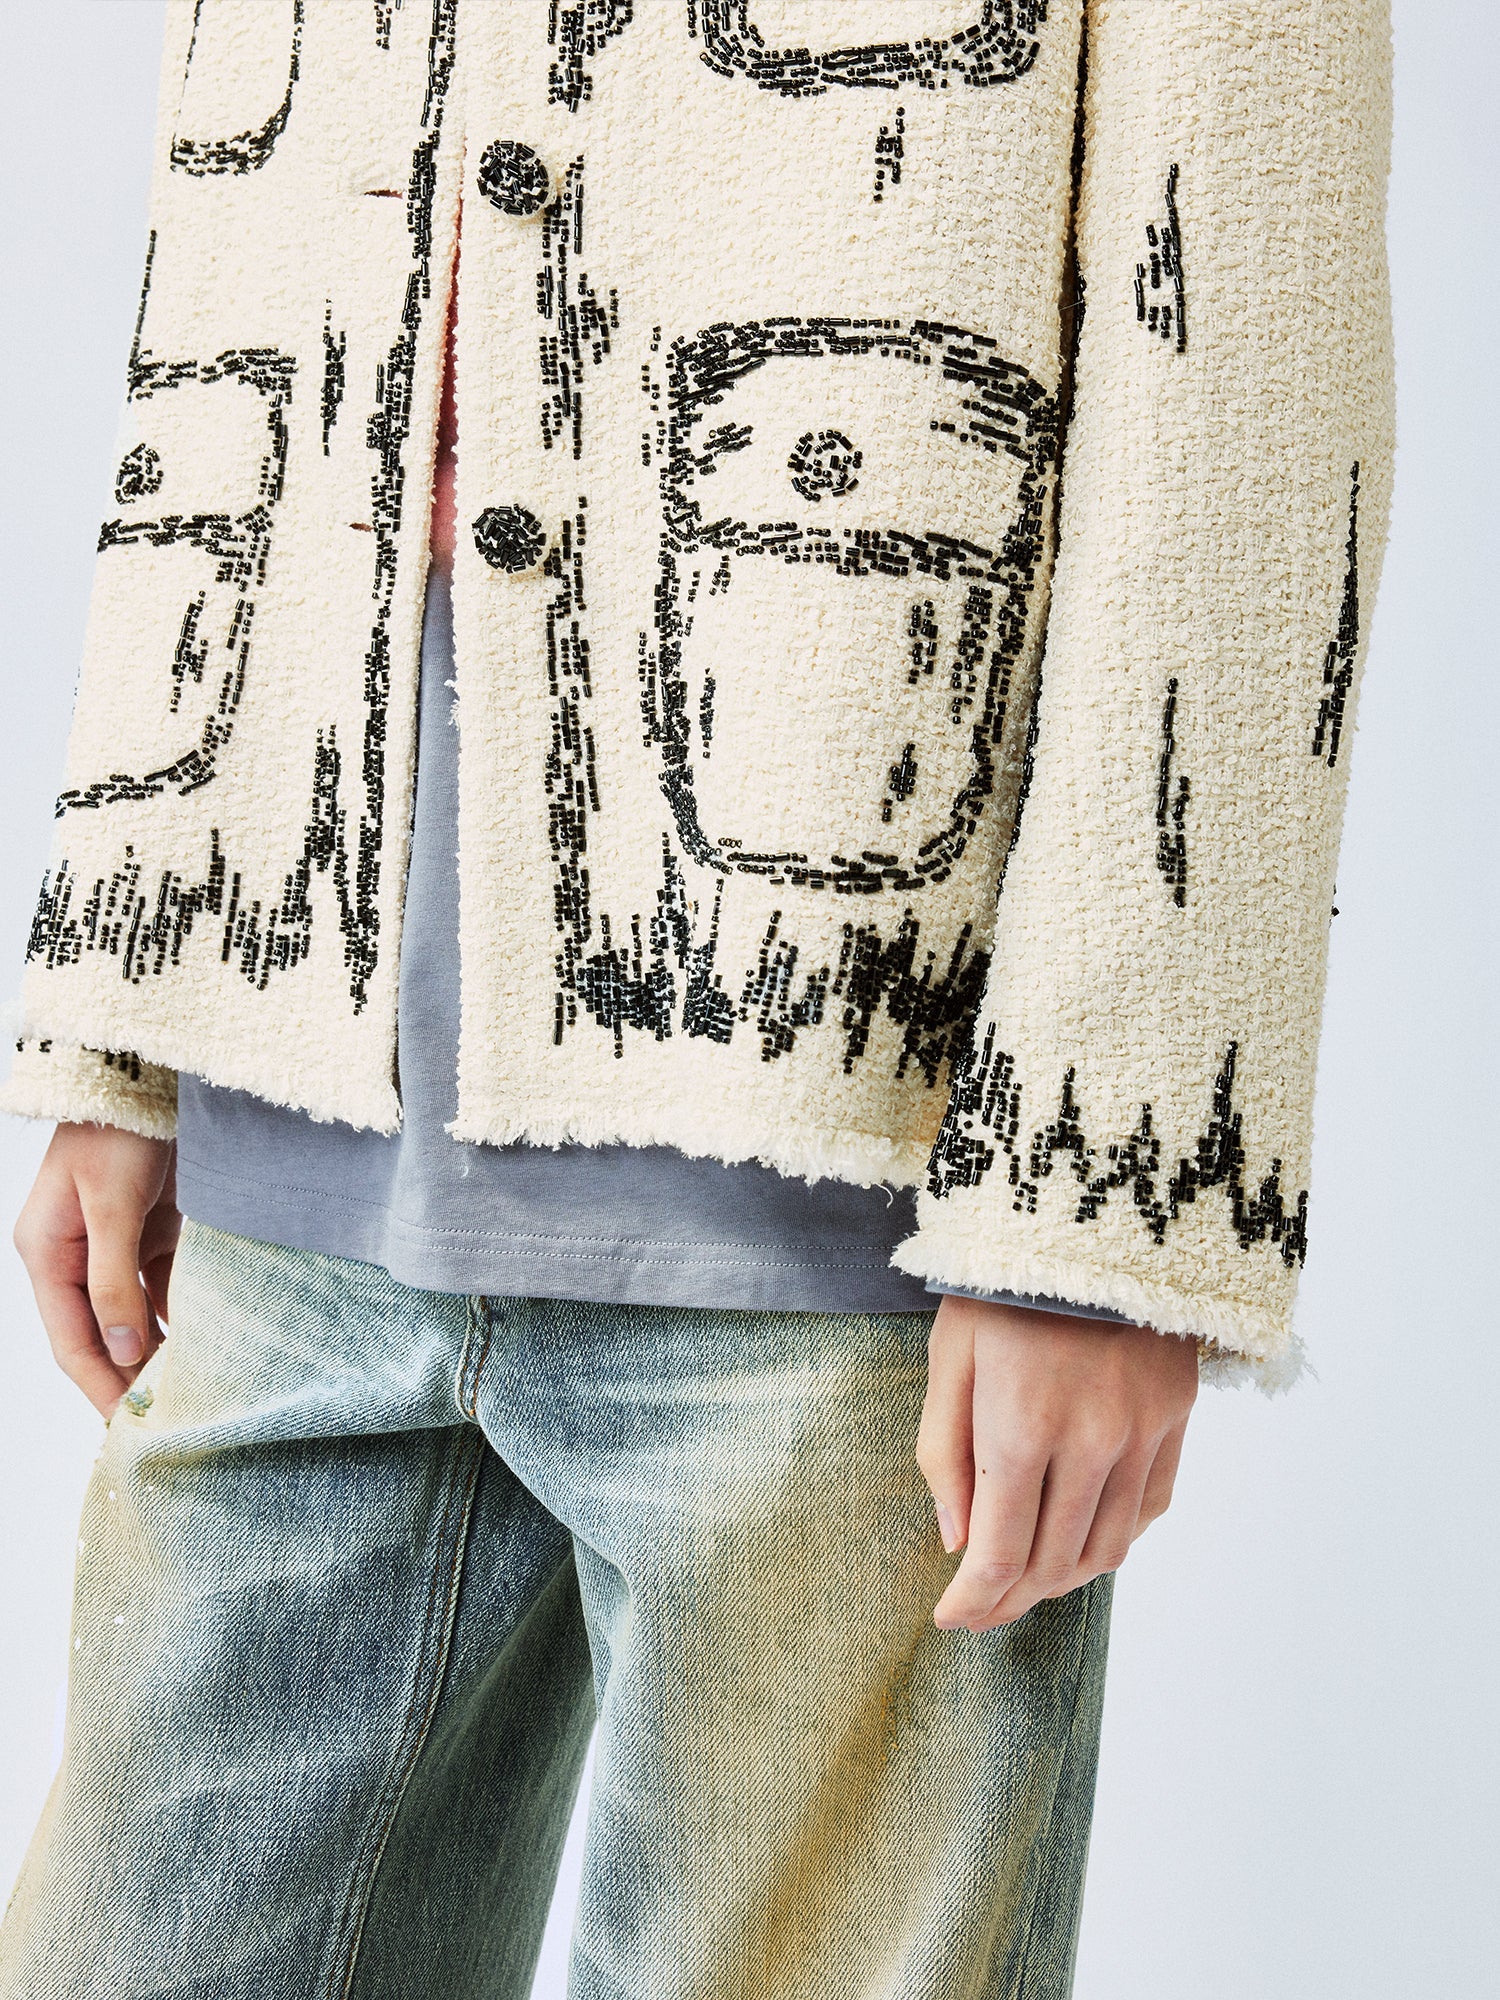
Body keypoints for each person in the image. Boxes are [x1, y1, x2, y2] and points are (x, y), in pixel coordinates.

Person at [0, 5, 1393, 1995]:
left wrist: (1108, 1204)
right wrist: (125, 1014)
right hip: (291, 1110)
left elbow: (1248, 374)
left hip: (852, 1179)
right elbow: (232, 230)